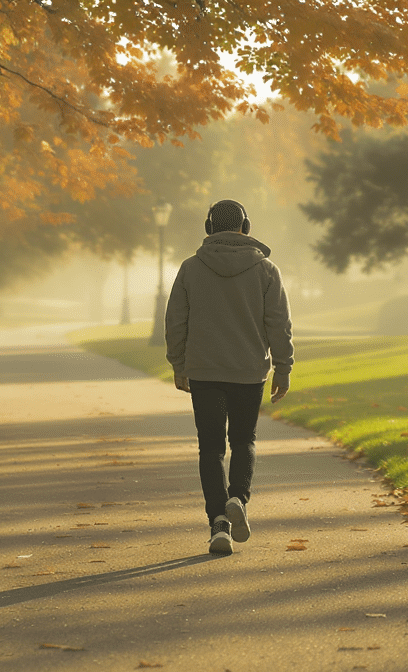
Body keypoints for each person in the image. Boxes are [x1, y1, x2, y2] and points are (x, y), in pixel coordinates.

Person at [164, 199, 293, 556]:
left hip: (204, 370)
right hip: (249, 371)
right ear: (245, 227)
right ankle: (238, 496)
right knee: (243, 440)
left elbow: (176, 322)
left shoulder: (190, 268)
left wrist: (179, 364)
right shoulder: (267, 270)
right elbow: (278, 324)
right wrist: (283, 367)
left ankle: (218, 523)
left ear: (209, 228)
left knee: (210, 448)